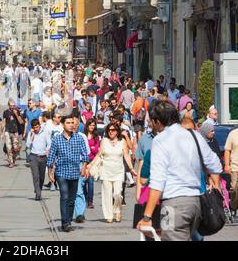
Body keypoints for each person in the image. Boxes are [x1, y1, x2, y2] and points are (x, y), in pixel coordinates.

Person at [137, 101, 222, 241]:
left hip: (173, 205)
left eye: (152, 121)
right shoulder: (194, 136)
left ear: (158, 122)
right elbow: (215, 165)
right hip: (196, 203)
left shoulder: (160, 140)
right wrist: (217, 187)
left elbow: (158, 181)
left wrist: (147, 216)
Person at [46, 115, 88, 232]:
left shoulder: (79, 138)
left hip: (75, 173)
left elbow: (85, 155)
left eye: (72, 123)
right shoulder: (57, 139)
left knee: (71, 199)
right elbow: (51, 157)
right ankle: (65, 223)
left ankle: (68, 220)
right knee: (64, 196)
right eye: (68, 123)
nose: (71, 125)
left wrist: (84, 167)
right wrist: (49, 173)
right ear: (63, 124)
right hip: (61, 172)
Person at [87, 123, 136, 223]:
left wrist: (131, 169)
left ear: (117, 131)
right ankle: (108, 215)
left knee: (118, 193)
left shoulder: (122, 141)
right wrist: (90, 164)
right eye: (109, 130)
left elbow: (126, 155)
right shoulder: (104, 141)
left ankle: (117, 210)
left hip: (118, 171)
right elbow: (99, 154)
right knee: (107, 194)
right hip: (106, 170)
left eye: (113, 130)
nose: (111, 131)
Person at [26, 119, 51, 201]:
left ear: (39, 125)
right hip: (33, 157)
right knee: (35, 175)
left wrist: (47, 150)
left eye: (37, 127)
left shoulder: (45, 132)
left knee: (41, 177)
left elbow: (49, 143)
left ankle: (38, 189)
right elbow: (28, 145)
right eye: (34, 128)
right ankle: (38, 193)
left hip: (43, 157)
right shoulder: (31, 133)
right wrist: (32, 135)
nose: (36, 129)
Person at [2, 100, 23, 168]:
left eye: (13, 106)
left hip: (15, 131)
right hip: (7, 131)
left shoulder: (18, 111)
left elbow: (21, 122)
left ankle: (14, 159)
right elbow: (4, 122)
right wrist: (2, 132)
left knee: (15, 147)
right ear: (8, 105)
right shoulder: (6, 112)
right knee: (9, 147)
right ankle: (10, 162)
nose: (12, 107)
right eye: (11, 106)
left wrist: (16, 114)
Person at [85, 119, 100, 209]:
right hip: (83, 161)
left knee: (90, 181)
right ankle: (85, 198)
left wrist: (91, 148)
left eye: (93, 125)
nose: (92, 127)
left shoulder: (96, 136)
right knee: (83, 182)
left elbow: (96, 150)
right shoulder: (83, 135)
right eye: (90, 125)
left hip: (91, 161)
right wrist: (91, 147)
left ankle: (90, 201)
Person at [224, 127, 238, 211]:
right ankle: (233, 206)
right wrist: (227, 165)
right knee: (234, 189)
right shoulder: (233, 134)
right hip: (235, 167)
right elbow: (227, 150)